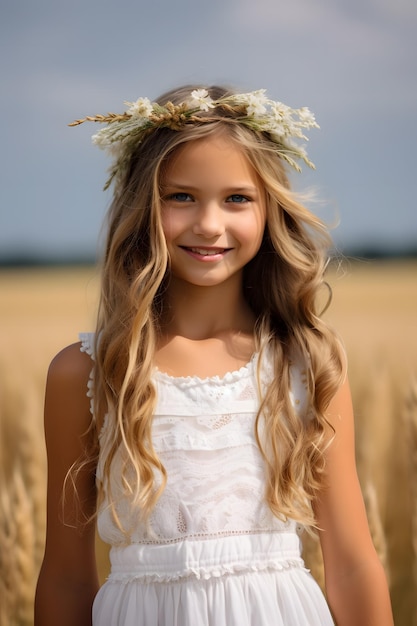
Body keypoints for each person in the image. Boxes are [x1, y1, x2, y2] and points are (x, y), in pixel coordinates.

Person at [35, 85, 393, 626]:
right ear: (141, 204)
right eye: (180, 196)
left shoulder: (307, 364)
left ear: (270, 208)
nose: (208, 224)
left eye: (237, 198)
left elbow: (350, 563)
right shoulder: (87, 373)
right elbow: (65, 576)